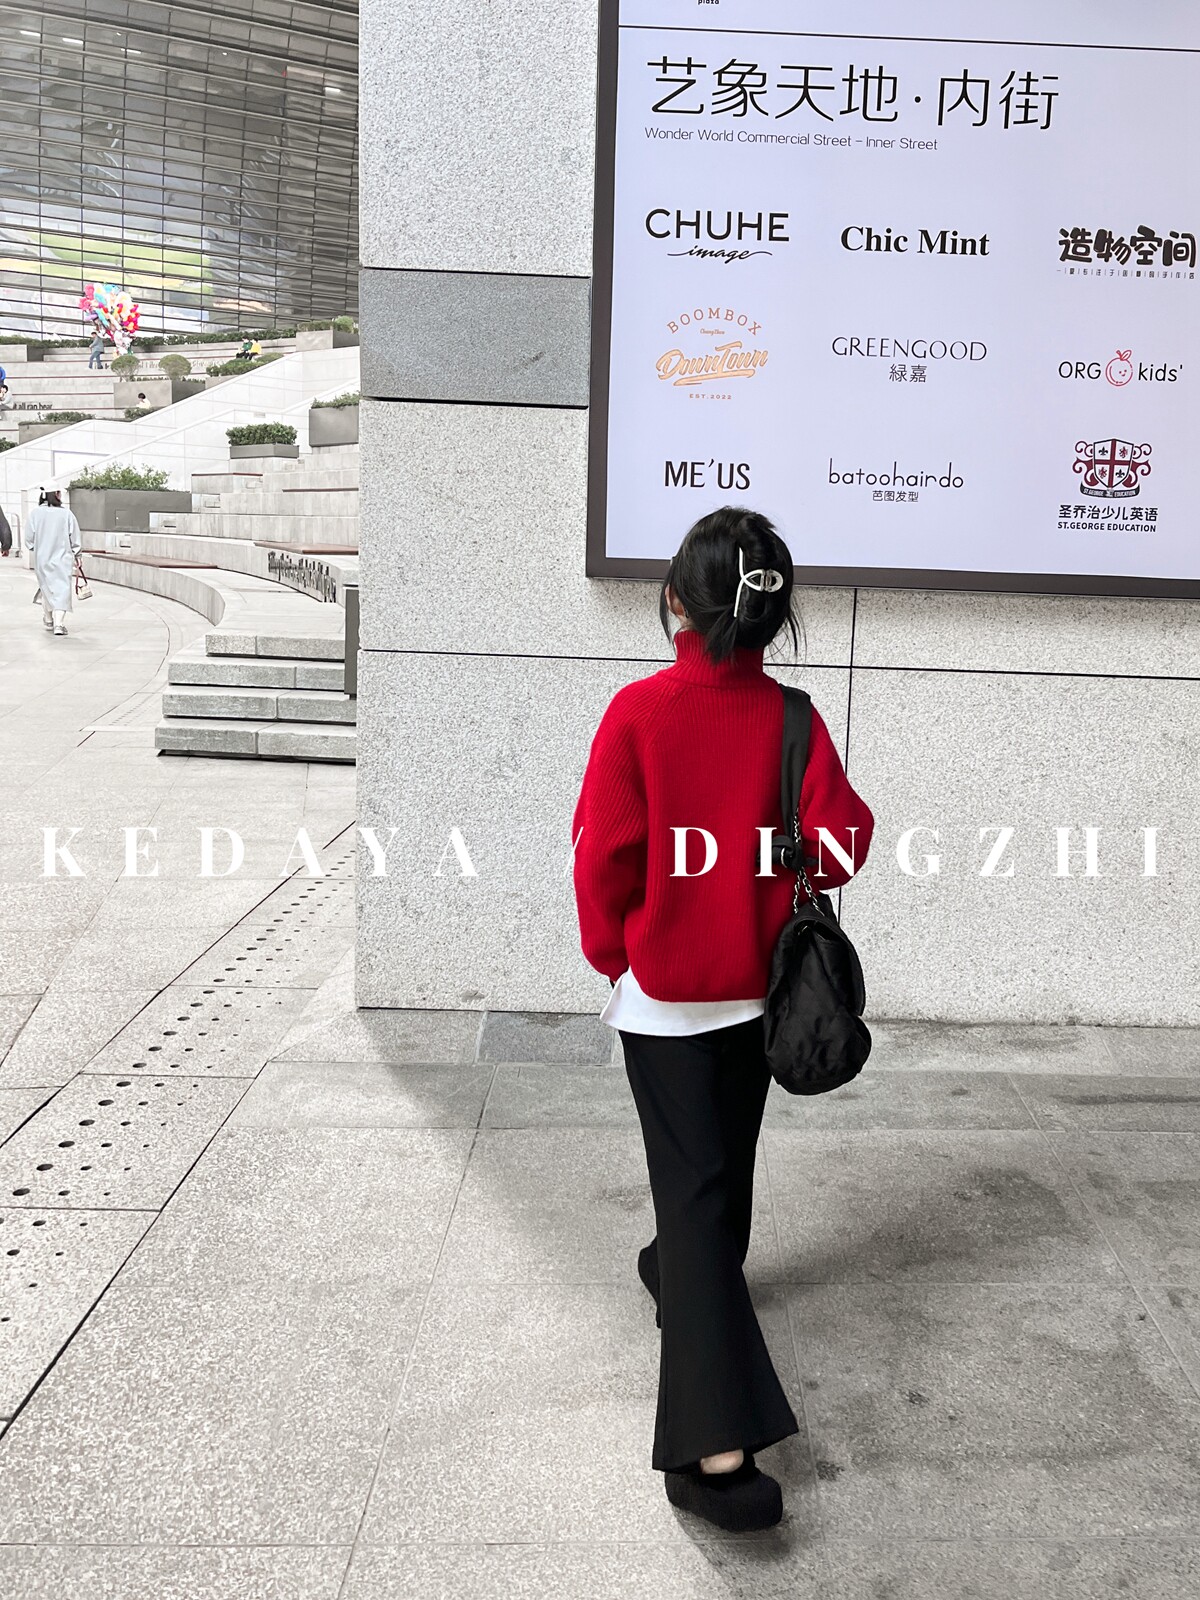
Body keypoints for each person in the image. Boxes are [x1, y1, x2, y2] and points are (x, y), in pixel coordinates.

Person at [572, 507, 874, 1533]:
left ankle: (712, 1436)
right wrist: (772, 849)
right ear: (771, 615)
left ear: (675, 601)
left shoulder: (638, 713)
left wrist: (617, 955)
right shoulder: (793, 720)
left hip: (666, 1004)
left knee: (701, 1187)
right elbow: (843, 845)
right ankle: (682, 1284)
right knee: (718, 1171)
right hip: (762, 998)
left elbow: (603, 859)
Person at [26, 490, 82, 635]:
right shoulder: (66, 514)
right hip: (63, 558)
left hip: (42, 558)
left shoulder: (35, 514)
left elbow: (29, 540)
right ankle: (59, 624)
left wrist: (37, 548)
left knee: (46, 588)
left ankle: (49, 618)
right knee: (62, 589)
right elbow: (75, 537)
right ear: (56, 495)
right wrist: (78, 555)